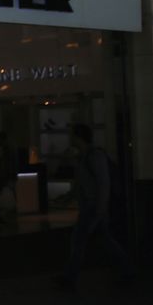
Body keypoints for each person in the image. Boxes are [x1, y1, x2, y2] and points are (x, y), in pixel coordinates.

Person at [58, 123, 134, 289]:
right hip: (92, 208)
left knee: (79, 241)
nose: (71, 139)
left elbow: (103, 185)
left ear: (79, 137)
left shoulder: (94, 156)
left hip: (94, 208)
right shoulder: (85, 157)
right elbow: (85, 184)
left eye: (73, 136)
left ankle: (70, 278)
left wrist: (100, 209)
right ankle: (127, 270)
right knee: (105, 241)